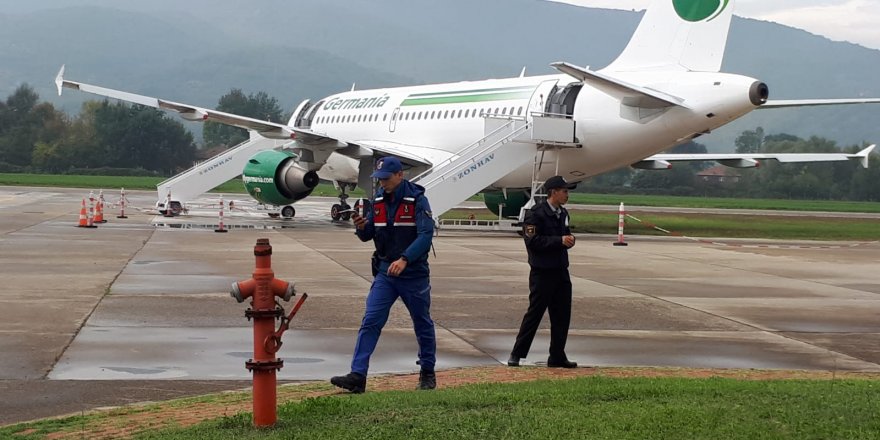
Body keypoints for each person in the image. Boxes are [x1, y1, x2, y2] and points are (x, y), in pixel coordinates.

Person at [331, 156, 437, 393]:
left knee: (422, 323)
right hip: (385, 273)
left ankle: (427, 372)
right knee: (371, 321)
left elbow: (425, 235)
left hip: (413, 274)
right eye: (379, 179)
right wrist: (361, 227)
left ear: (400, 175)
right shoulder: (377, 200)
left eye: (386, 179)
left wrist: (405, 259)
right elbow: (370, 234)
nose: (382, 184)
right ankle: (358, 375)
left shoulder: (418, 200)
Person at [508, 175, 578, 368]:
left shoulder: (563, 213)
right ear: (553, 192)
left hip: (561, 271)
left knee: (562, 315)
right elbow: (532, 241)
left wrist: (569, 240)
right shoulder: (536, 214)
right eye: (564, 191)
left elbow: (565, 235)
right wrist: (559, 241)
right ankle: (517, 353)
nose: (567, 195)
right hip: (542, 272)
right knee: (534, 314)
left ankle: (557, 355)